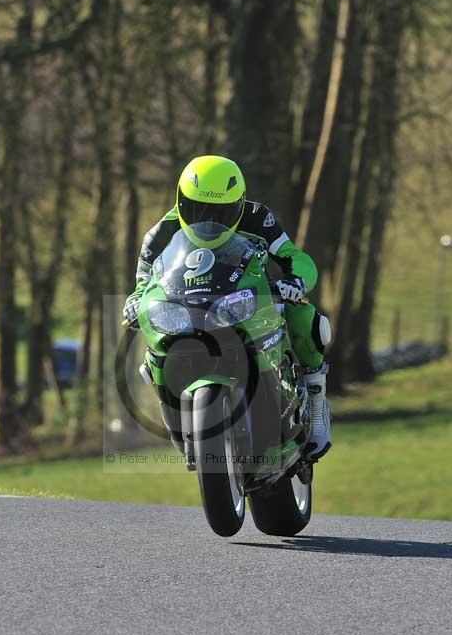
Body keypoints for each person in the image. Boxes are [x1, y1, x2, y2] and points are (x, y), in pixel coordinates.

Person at [123, 155, 331, 460]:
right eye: (197, 209)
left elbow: (293, 255)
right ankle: (177, 416)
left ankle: (316, 403)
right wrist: (134, 302)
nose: (208, 219)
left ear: (239, 203)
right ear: (181, 201)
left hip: (243, 299)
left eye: (221, 212)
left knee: (306, 318)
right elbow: (144, 284)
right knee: (151, 356)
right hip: (188, 309)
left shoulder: (258, 218)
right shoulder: (160, 234)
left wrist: (295, 281)